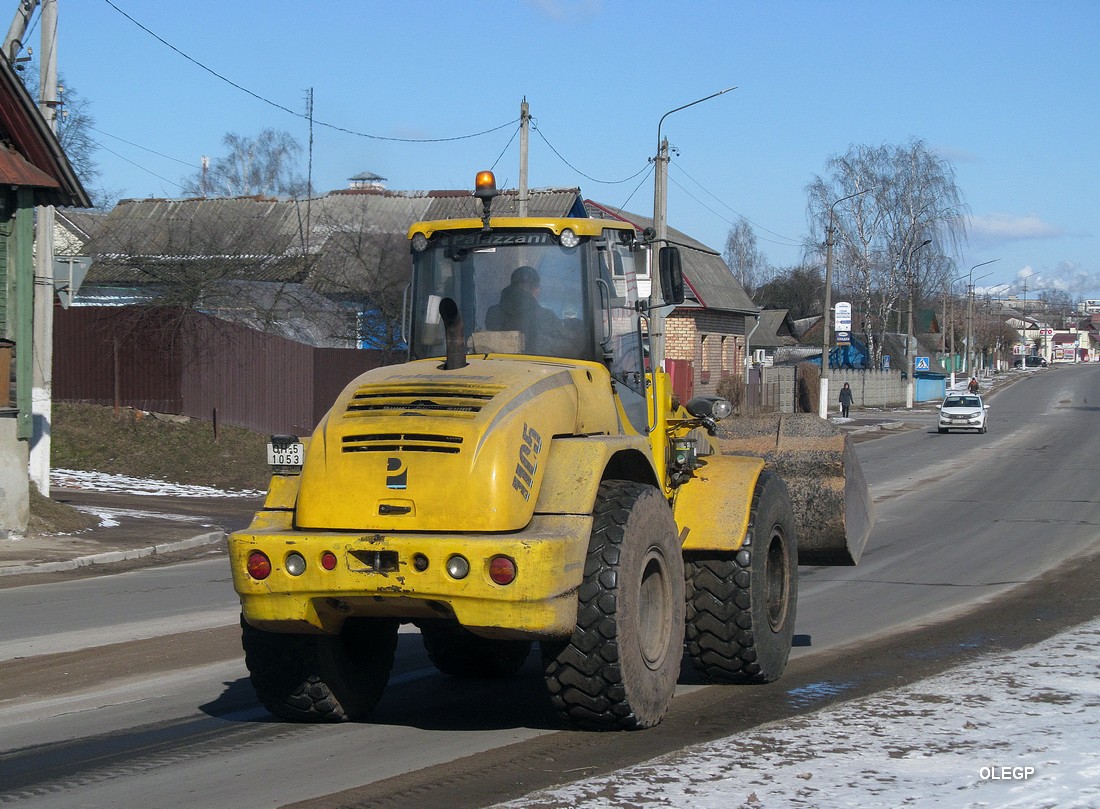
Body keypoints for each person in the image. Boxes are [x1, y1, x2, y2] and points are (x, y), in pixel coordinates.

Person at [484, 265, 564, 354]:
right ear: (536, 289)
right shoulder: (547, 316)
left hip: (493, 365)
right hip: (535, 366)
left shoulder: (492, 312)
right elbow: (558, 349)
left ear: (512, 285)